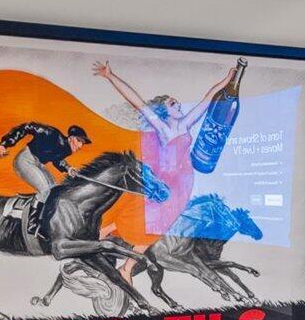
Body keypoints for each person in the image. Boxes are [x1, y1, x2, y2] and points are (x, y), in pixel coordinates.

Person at [90, 59, 238, 233]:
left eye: (177, 102)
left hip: (182, 179)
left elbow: (208, 99)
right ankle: (107, 230)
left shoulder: (185, 124)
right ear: (163, 110)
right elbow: (136, 101)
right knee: (149, 213)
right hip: (165, 178)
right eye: (172, 103)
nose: (178, 104)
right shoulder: (162, 127)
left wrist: (228, 80)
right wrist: (109, 75)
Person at [0, 120, 91, 234]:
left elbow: (56, 159)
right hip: (25, 160)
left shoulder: (66, 149)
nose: (80, 146)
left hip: (38, 164)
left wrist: (68, 169)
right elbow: (27, 126)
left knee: (54, 190)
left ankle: (45, 221)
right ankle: (32, 224)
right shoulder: (52, 134)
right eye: (79, 140)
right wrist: (5, 144)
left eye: (82, 143)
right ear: (70, 137)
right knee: (45, 190)